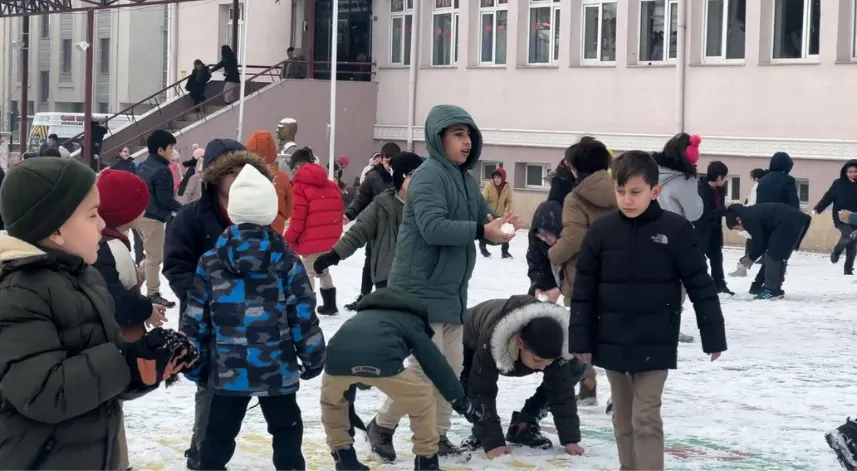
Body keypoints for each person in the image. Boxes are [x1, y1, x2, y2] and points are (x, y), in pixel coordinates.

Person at [0, 158, 195, 469]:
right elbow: (43, 393)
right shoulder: (17, 292)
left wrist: (148, 363)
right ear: (56, 230)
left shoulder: (85, 277)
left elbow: (99, 381)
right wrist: (125, 359)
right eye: (92, 215)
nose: (103, 225)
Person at [367, 105, 521, 459]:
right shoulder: (427, 177)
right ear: (439, 139)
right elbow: (433, 228)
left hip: (451, 291)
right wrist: (483, 230)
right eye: (457, 134)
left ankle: (437, 435)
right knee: (423, 370)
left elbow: (482, 219)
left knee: (451, 371)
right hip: (419, 290)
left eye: (468, 134)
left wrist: (500, 227)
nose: (466, 142)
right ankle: (383, 425)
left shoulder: (465, 180)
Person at [569, 150, 727, 471]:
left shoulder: (676, 230)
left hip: (655, 340)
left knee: (646, 417)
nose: (627, 200)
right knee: (623, 419)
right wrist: (581, 341)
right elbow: (583, 290)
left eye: (636, 192)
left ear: (655, 192)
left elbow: (700, 283)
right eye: (621, 191)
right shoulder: (602, 231)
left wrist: (713, 334)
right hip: (612, 339)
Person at [182, 164, 325, 470]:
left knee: (218, 437)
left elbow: (195, 319)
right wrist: (313, 357)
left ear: (232, 212)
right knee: (287, 433)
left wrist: (196, 365)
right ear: (270, 212)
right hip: (277, 370)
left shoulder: (211, 261)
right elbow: (303, 315)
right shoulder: (285, 261)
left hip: (228, 373)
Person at [163, 138, 274, 470]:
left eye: (244, 169)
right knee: (210, 388)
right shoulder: (190, 218)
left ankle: (216, 446)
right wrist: (207, 298)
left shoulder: (258, 218)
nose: (239, 177)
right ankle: (203, 452)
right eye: (231, 171)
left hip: (252, 323)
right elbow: (176, 267)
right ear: (214, 175)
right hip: (207, 322)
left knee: (243, 389)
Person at [321, 288, 485, 470]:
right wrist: (460, 401)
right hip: (384, 362)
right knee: (422, 401)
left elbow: (346, 349)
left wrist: (348, 396)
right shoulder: (410, 321)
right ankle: (426, 460)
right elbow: (435, 363)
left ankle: (344, 458)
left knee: (333, 405)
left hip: (335, 363)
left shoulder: (359, 317)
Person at [92, 169, 166, 471]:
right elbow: (115, 296)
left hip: (99, 341)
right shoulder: (113, 246)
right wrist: (145, 309)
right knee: (110, 407)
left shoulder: (102, 239)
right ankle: (119, 464)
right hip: (112, 341)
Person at [459, 295, 587, 459]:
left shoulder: (556, 341)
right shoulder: (493, 339)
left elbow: (561, 390)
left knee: (573, 367)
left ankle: (525, 423)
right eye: (538, 360)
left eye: (549, 362)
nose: (543, 366)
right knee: (469, 384)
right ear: (520, 343)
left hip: (518, 350)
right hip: (470, 340)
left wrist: (571, 440)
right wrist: (493, 443)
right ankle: (480, 431)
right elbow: (481, 391)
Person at [545, 136, 614, 404]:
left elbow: (574, 238)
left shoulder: (576, 197)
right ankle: (620, 395)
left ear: (574, 167)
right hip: (620, 273)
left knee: (584, 334)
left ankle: (587, 387)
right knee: (614, 334)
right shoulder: (622, 190)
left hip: (586, 276)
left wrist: (552, 253)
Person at [313, 153, 424, 290]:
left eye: (420, 174)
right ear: (399, 178)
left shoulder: (429, 206)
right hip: (387, 276)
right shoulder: (381, 205)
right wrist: (334, 255)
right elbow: (359, 231)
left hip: (421, 278)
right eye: (411, 175)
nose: (416, 179)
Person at [654, 133, 705, 342]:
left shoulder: (650, 172)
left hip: (646, 232)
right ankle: (669, 326)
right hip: (675, 237)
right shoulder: (684, 179)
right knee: (676, 285)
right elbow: (694, 212)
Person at [285, 147, 344, 315]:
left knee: (307, 273)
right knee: (322, 269)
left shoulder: (300, 187)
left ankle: (306, 308)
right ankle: (330, 305)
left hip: (309, 239)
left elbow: (298, 218)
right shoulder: (331, 185)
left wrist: (289, 238)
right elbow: (339, 211)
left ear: (296, 167)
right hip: (329, 239)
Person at [343, 142, 398, 311]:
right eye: (388, 161)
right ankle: (365, 295)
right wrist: (350, 213)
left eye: (393, 162)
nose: (390, 166)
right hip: (376, 226)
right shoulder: (373, 177)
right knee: (371, 261)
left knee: (394, 262)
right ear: (382, 159)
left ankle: (391, 297)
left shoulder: (402, 175)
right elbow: (362, 197)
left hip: (397, 227)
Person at [725, 203, 812, 300]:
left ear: (738, 220)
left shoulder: (748, 218)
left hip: (789, 222)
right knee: (778, 255)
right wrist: (751, 257)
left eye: (737, 228)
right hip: (793, 220)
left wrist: (750, 258)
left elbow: (760, 242)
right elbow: (763, 240)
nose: (740, 230)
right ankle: (775, 289)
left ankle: (771, 290)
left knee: (773, 255)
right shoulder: (749, 213)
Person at [136, 129, 182, 308]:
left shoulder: (145, 165)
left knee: (151, 255)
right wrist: (183, 209)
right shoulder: (162, 170)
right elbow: (164, 198)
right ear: (160, 150)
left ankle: (136, 276)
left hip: (140, 215)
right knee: (155, 258)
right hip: (153, 218)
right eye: (170, 147)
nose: (172, 151)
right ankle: (153, 293)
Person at [749, 152, 800, 294]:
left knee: (770, 253)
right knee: (779, 254)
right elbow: (793, 203)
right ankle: (774, 286)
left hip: (765, 220)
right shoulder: (788, 180)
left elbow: (759, 200)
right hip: (782, 221)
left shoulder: (764, 180)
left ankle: (758, 284)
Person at [695, 161, 734, 296]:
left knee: (717, 257)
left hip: (715, 229)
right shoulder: (701, 190)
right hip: (702, 230)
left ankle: (720, 284)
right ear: (719, 177)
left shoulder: (719, 189)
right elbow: (707, 213)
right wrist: (725, 210)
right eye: (724, 177)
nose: (725, 180)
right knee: (700, 259)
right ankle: (701, 285)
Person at [246, 129, 294, 235]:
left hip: (248, 226)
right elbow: (289, 209)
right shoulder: (282, 177)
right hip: (276, 225)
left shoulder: (244, 175)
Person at [814, 160, 857, 275]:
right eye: (850, 172)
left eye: (855, 172)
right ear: (845, 172)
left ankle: (848, 270)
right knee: (848, 236)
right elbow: (828, 197)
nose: (853, 174)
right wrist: (818, 208)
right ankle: (836, 252)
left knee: (853, 243)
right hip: (841, 218)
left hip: (855, 218)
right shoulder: (838, 183)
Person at [479, 167, 513, 259]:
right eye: (495, 177)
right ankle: (483, 249)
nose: (496, 180)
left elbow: (509, 201)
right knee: (485, 231)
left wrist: (507, 211)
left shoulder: (506, 188)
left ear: (503, 178)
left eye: (499, 178)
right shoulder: (488, 186)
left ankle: (505, 251)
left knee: (505, 231)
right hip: (488, 213)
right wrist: (487, 213)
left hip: (500, 214)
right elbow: (483, 200)